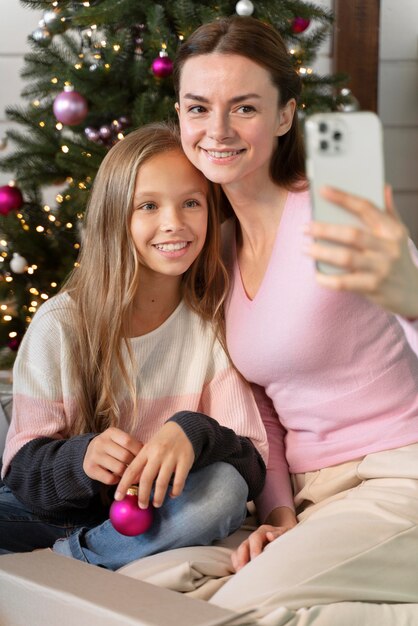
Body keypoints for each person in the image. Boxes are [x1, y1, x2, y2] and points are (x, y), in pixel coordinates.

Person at [172, 14, 418, 622]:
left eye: (245, 108)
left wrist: (411, 296)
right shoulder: (216, 250)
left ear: (285, 116)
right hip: (315, 498)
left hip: (398, 476)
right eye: (198, 107)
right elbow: (265, 411)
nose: (218, 130)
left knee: (232, 615)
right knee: (169, 590)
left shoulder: (338, 211)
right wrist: (280, 513)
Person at [0, 121, 268, 570]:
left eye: (191, 203)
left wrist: (193, 432)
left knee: (223, 492)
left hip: (151, 515)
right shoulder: (62, 324)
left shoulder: (208, 326)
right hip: (44, 514)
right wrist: (82, 457)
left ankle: (74, 563)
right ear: (115, 217)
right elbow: (23, 472)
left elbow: (251, 463)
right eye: (148, 205)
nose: (174, 224)